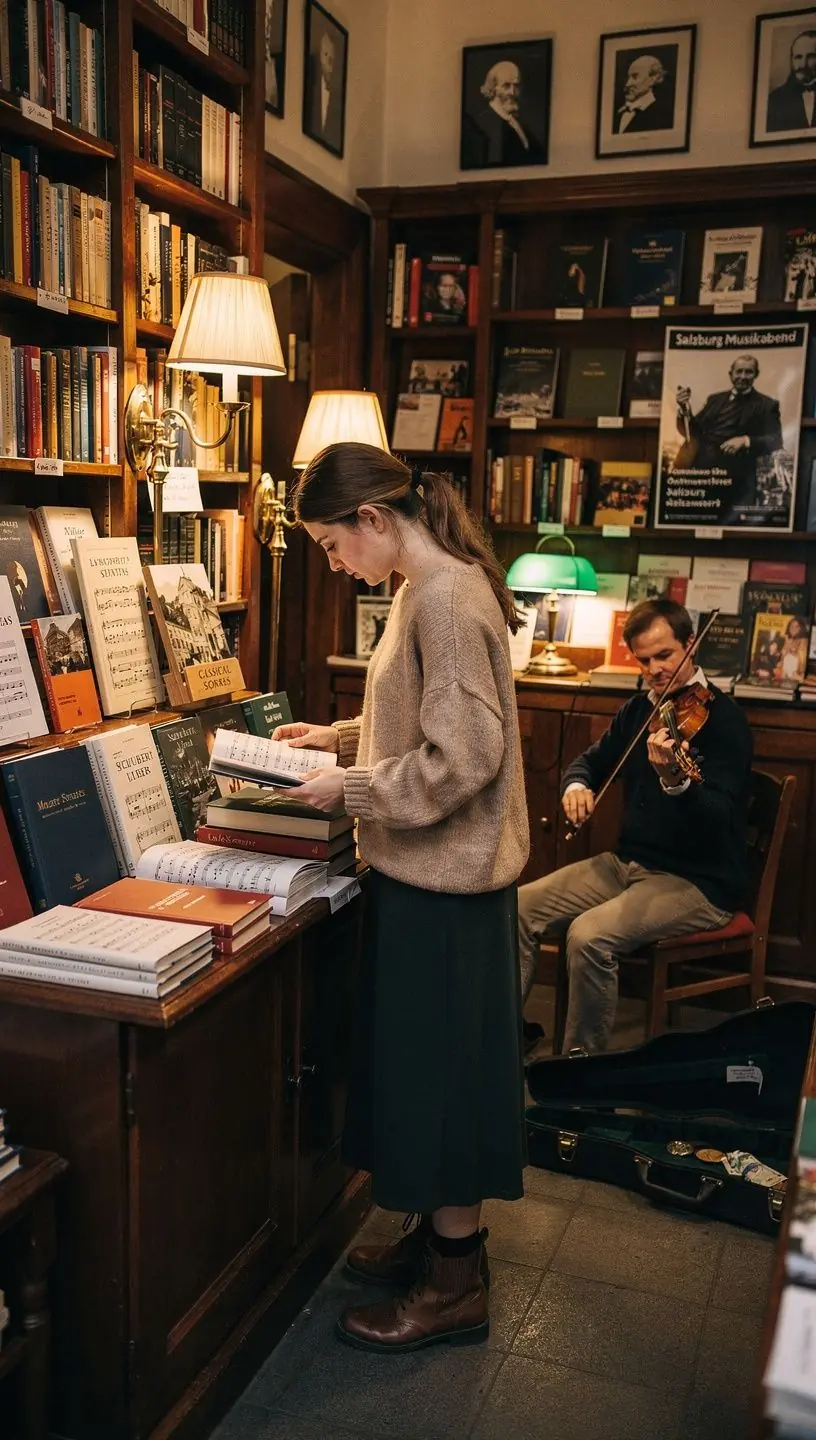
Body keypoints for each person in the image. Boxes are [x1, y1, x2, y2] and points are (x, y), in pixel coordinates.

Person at [272, 443, 530, 1352]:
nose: (335, 564)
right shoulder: (424, 590)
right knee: (425, 1078)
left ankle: (456, 1284)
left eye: (332, 546)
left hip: (446, 890)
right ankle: (438, 1245)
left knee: (444, 1086)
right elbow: (421, 720)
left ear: (373, 520)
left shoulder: (449, 600)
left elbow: (464, 757)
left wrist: (354, 790)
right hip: (426, 879)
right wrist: (340, 738)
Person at [517, 599, 752, 1055]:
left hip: (698, 880)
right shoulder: (638, 711)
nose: (655, 670)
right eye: (644, 661)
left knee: (588, 936)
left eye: (664, 656)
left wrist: (676, 781)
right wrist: (575, 787)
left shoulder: (724, 722)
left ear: (690, 646)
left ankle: (581, 1074)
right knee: (518, 907)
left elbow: (720, 819)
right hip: (628, 864)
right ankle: (506, 1037)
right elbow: (589, 762)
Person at [674, 353, 783, 517]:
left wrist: (745, 440)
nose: (743, 376)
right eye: (739, 371)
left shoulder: (767, 405)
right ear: (730, 374)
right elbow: (692, 433)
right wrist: (684, 409)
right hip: (700, 477)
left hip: (736, 482)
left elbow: (775, 440)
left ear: (756, 375)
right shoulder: (714, 400)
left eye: (749, 372)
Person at [462, 59, 548, 167]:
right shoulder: (480, 124)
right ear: (493, 88)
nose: (512, 92)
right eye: (506, 86)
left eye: (516, 86)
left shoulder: (518, 123)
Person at [767, 30, 816, 132]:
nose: (803, 65)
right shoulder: (774, 101)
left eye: (811, 56)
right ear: (792, 59)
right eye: (798, 57)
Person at [614, 53, 674, 133]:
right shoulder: (617, 113)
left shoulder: (664, 116)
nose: (627, 84)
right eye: (628, 78)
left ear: (654, 78)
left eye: (635, 77)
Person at [308, 26, 342, 147]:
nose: (329, 63)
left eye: (332, 58)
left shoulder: (339, 98)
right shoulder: (310, 86)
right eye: (326, 55)